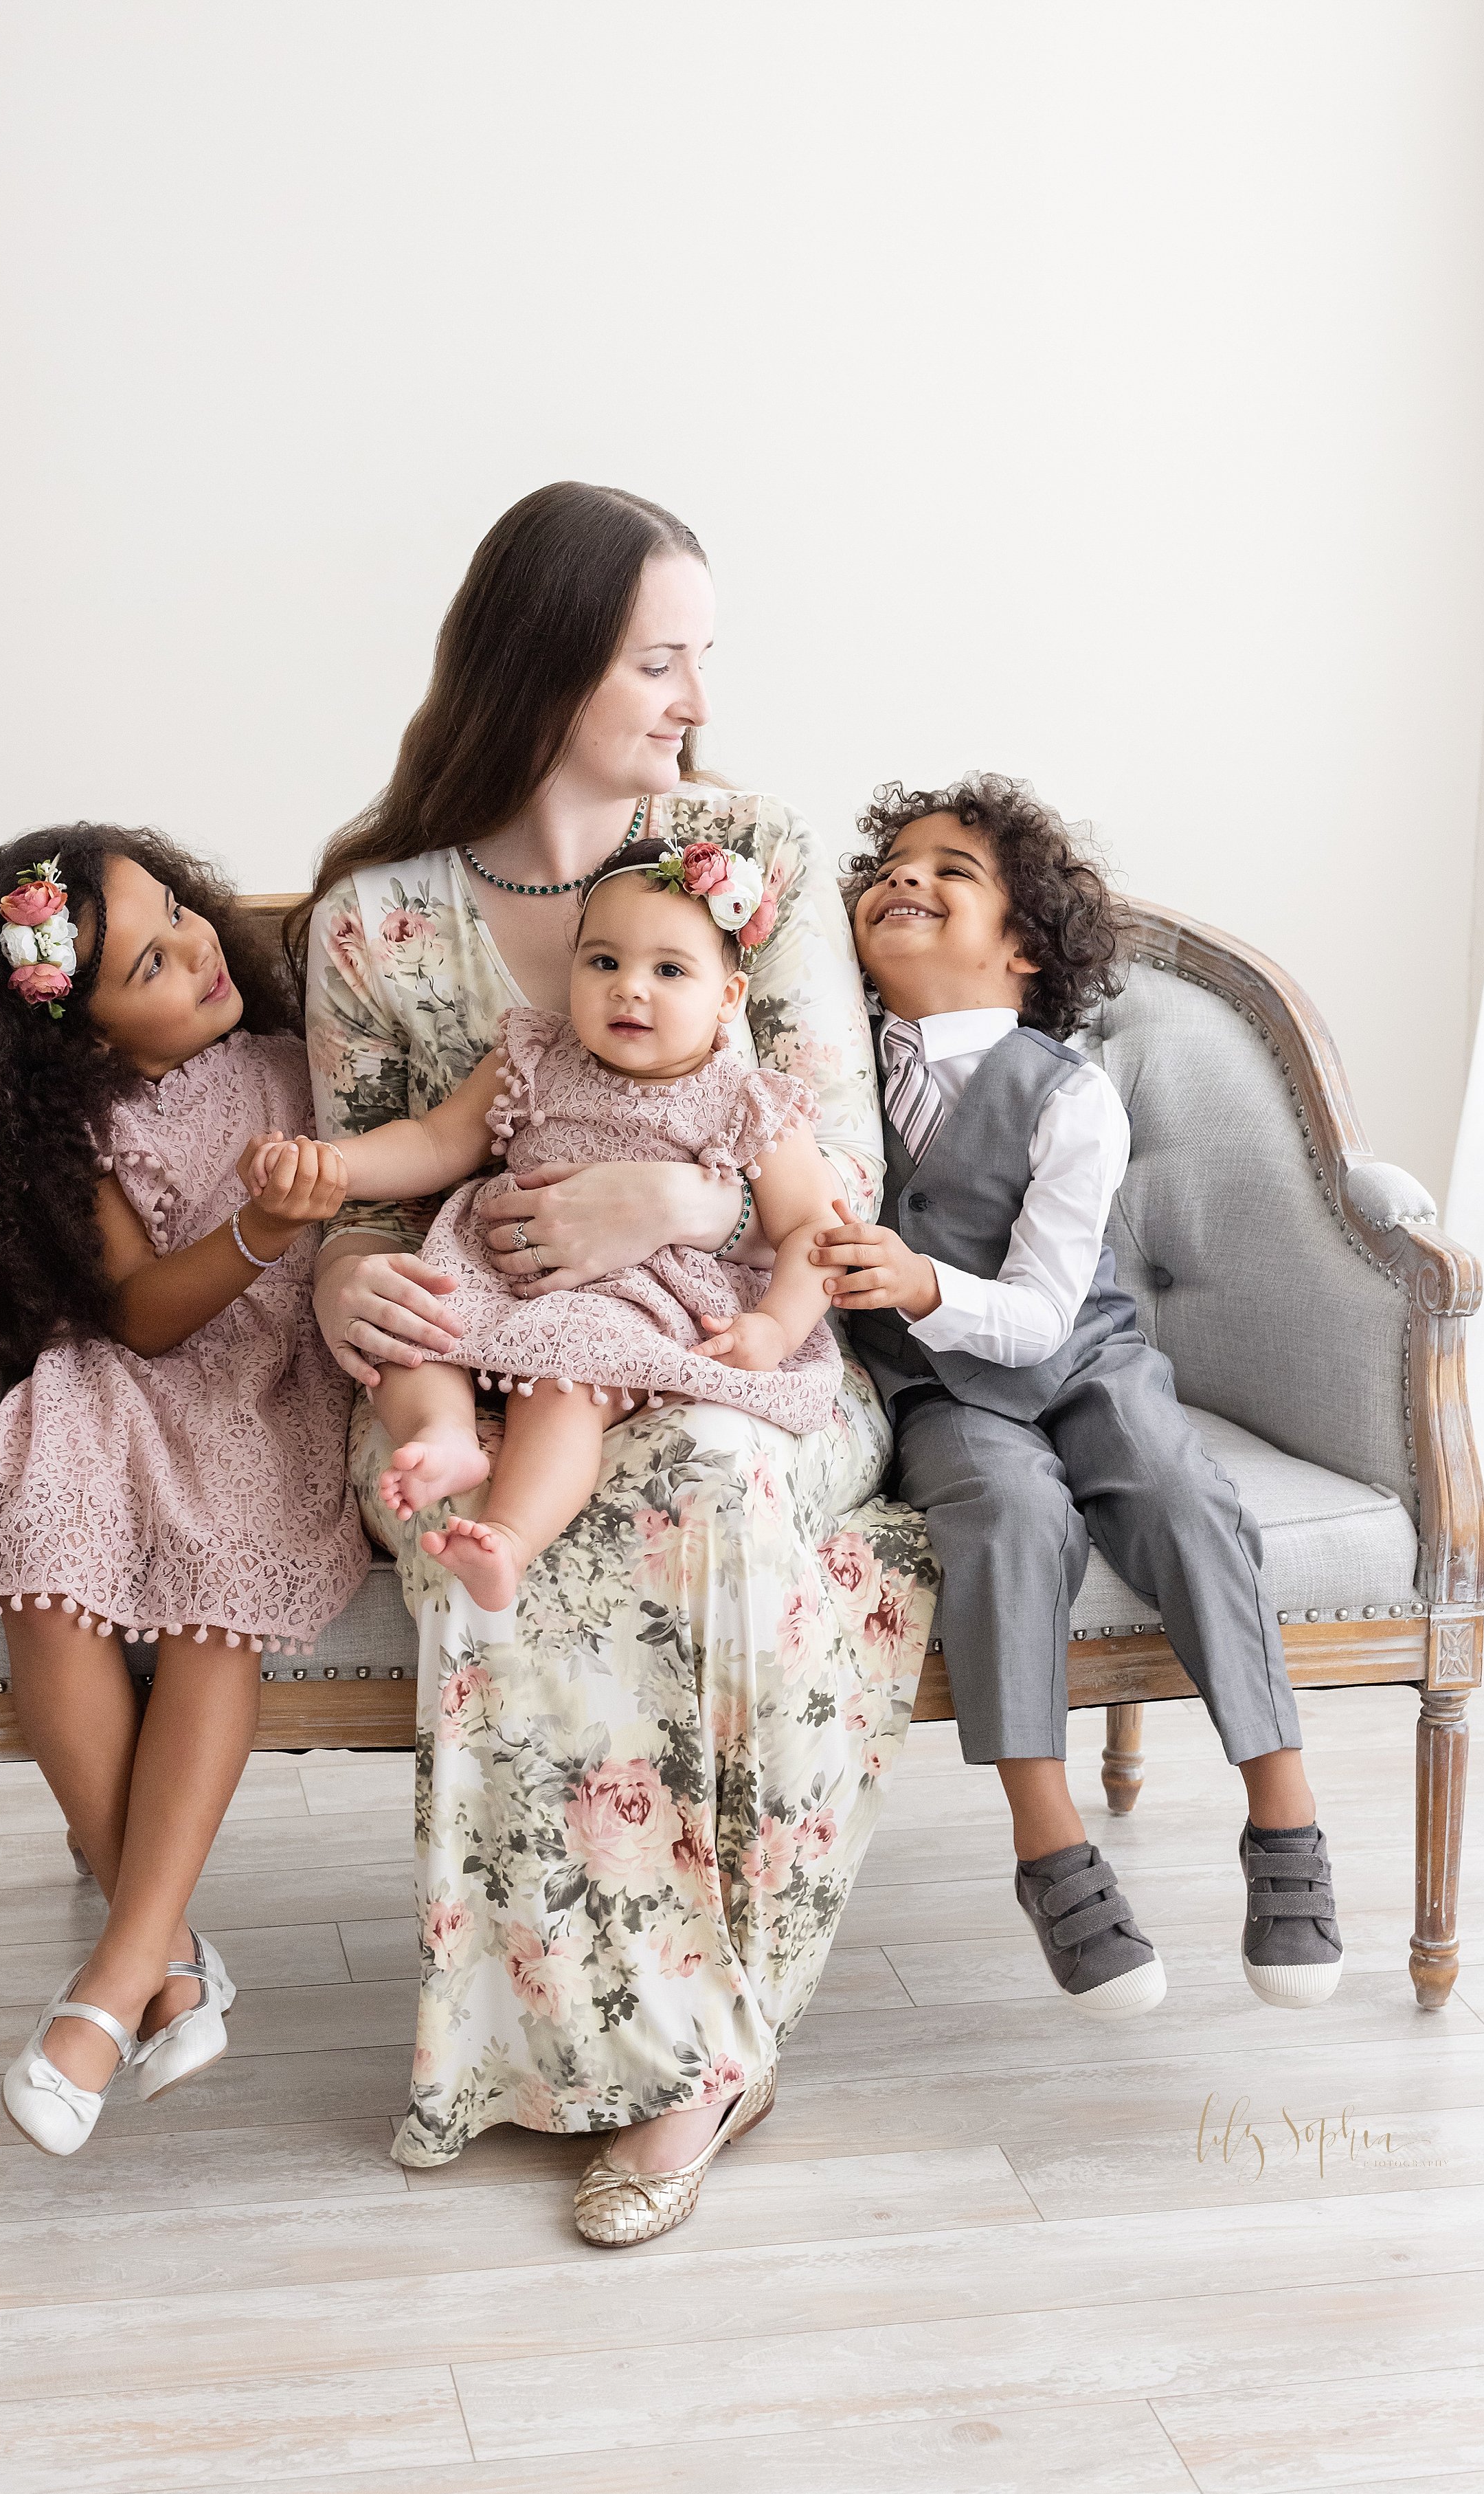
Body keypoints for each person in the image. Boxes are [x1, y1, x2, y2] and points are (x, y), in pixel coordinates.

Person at [304, 481, 927, 2242]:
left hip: (736, 1352)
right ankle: (584, 2040)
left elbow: (840, 1186)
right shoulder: (375, 919)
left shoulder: (752, 856)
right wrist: (354, 1286)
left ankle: (696, 2058)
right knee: (496, 1527)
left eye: (699, 662)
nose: (695, 703)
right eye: (661, 662)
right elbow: (363, 1174)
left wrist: (659, 1191)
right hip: (476, 1373)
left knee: (707, 1490)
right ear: (553, 659)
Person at [0, 826, 368, 2155]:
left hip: (276, 1375)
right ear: (83, 1040)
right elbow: (133, 1318)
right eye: (151, 957)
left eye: (183, 913)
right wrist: (257, 1228)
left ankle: (120, 1978)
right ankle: (168, 1955)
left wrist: (305, 1224)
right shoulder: (82, 1127)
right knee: (31, 1509)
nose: (198, 944)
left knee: (213, 1569)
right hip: (142, 1369)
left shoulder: (299, 1064)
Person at [818, 772, 1342, 2018]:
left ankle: (1286, 1813)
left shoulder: (1070, 1093)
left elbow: (1046, 1312)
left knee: (1173, 1488)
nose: (907, 877)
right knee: (1005, 1512)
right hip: (944, 1389)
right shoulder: (827, 1072)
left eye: (952, 871)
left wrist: (920, 1278)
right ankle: (1050, 1846)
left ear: (1020, 950)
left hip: (1080, 1351)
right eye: (890, 863)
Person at [295, 838, 842, 1612]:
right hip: (499, 1265)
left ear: (728, 996)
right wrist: (333, 1165)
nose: (630, 991)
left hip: (632, 1302)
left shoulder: (745, 1098)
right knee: (414, 1321)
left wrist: (777, 1331)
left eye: (670, 970)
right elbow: (434, 1142)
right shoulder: (534, 1054)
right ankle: (444, 1435)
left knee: (564, 1378)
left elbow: (813, 1232)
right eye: (604, 962)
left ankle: (511, 1537)